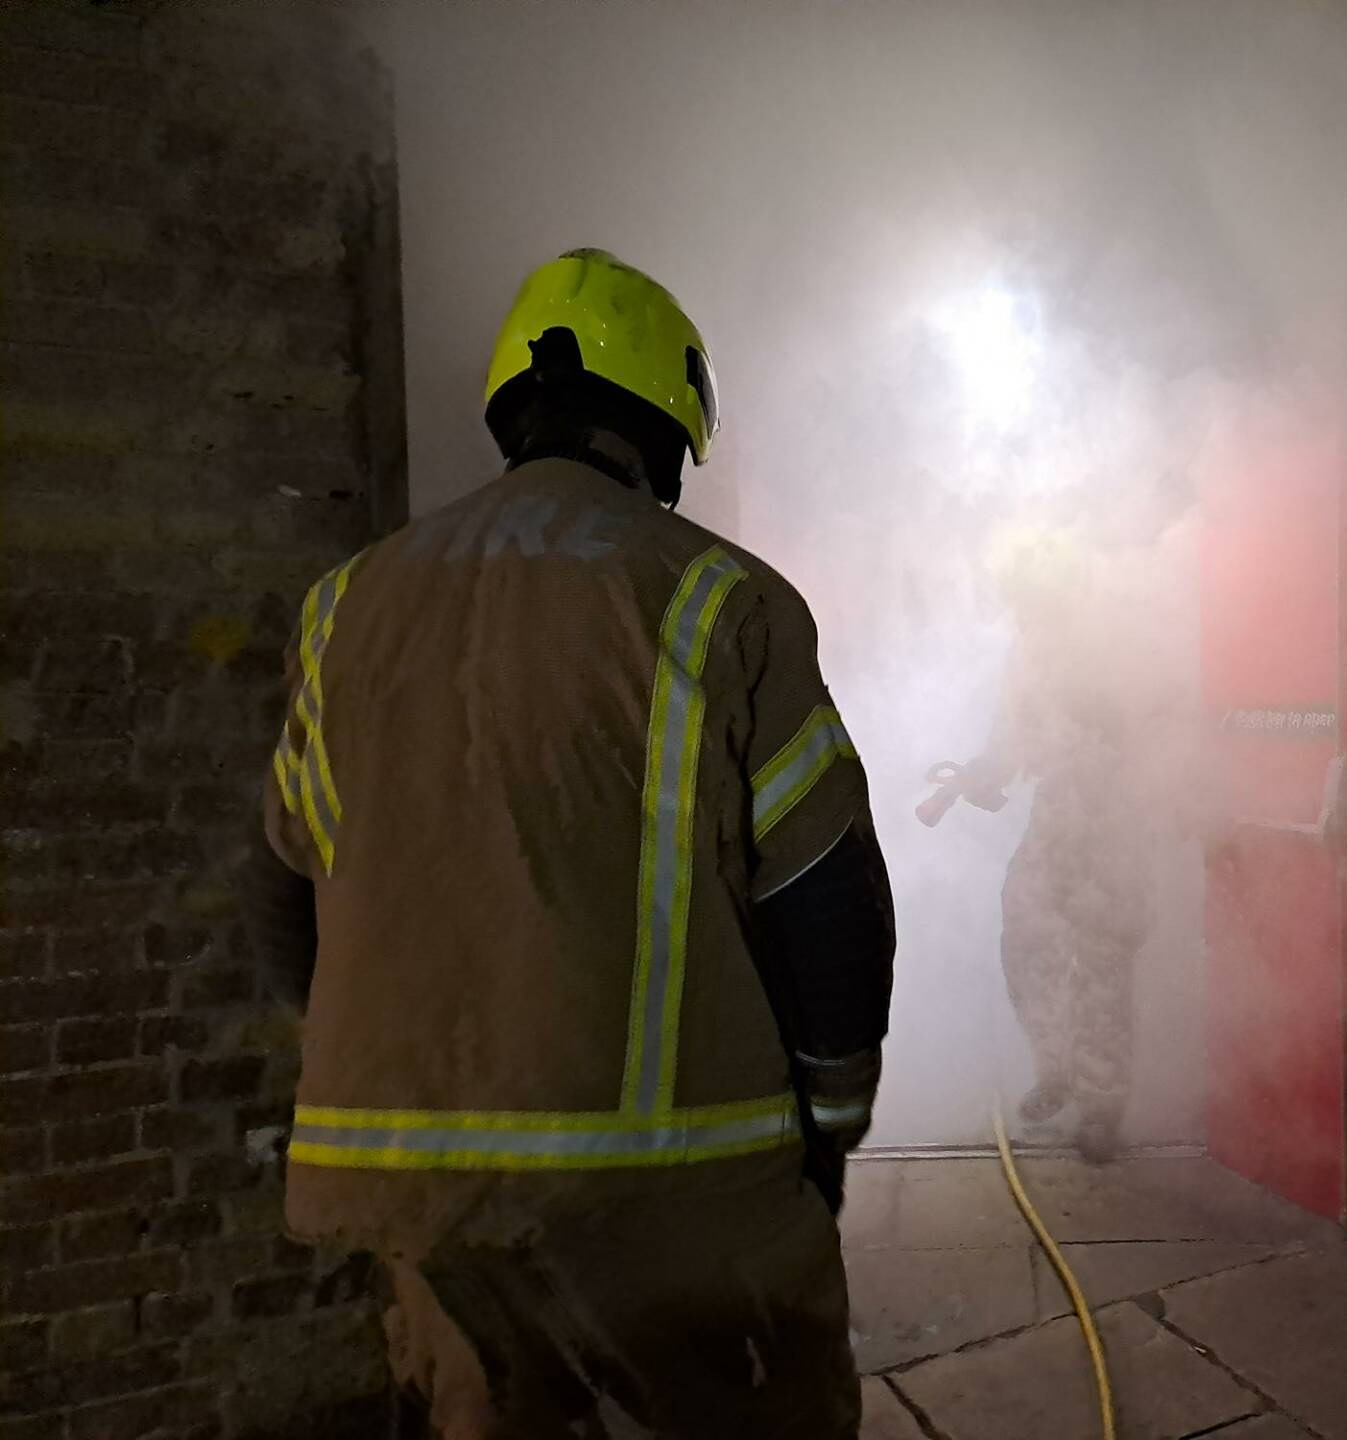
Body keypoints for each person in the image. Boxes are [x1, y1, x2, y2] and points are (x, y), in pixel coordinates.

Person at [238, 248, 894, 1439]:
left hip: (420, 1208)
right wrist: (830, 1126)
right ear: (664, 424)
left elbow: (285, 888)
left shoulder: (347, 604)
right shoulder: (715, 597)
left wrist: (365, 1062)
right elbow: (827, 900)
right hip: (679, 1206)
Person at [938, 529, 1158, 1163]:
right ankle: (1057, 1067)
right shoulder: (1029, 649)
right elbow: (1015, 732)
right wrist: (980, 773)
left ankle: (1100, 1108)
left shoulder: (1115, 644)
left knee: (1102, 961)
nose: (1023, 612)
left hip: (1116, 814)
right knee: (1026, 936)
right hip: (1060, 809)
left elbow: (1147, 733)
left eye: (1032, 599)